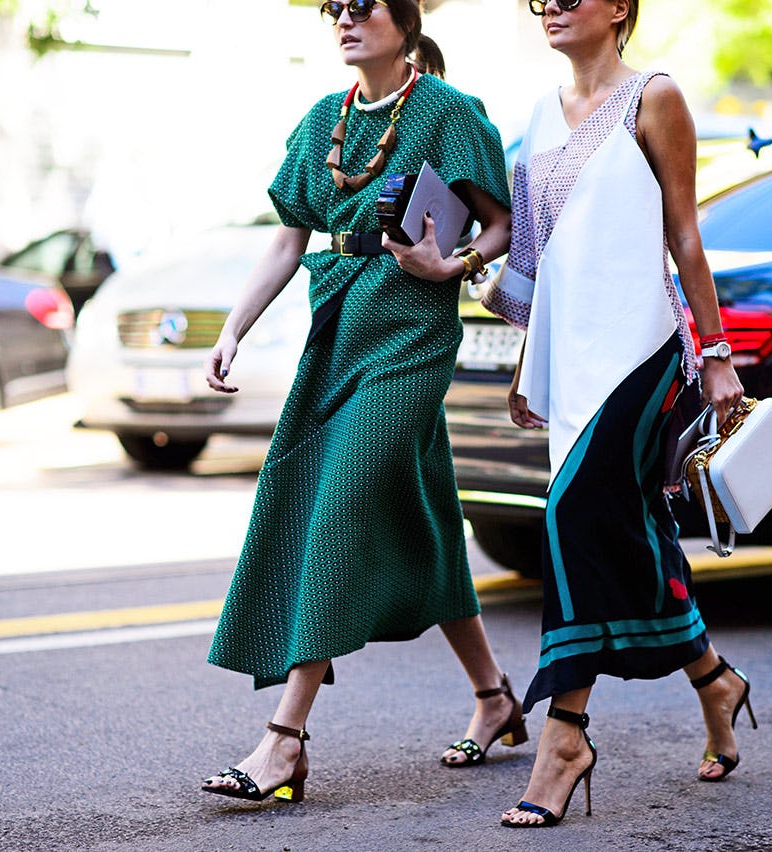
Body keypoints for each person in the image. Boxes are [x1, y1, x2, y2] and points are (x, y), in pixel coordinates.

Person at [201, 0, 523, 804]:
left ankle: (284, 739)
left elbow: (501, 224)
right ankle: (495, 697)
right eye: (333, 7)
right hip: (339, 330)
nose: (345, 18)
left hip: (413, 337)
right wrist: (233, 330)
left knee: (341, 508)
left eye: (362, 4)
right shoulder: (321, 122)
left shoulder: (451, 113)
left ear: (404, 19)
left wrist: (453, 270)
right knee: (428, 521)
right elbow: (287, 238)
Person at [480, 0, 756, 828]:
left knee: (571, 517)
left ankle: (564, 736)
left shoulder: (655, 98)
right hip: (575, 358)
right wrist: (526, 349)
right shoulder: (535, 113)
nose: (553, 6)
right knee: (627, 531)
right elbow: (534, 248)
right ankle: (717, 681)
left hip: (642, 350)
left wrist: (715, 356)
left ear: (621, 8)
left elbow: (686, 236)